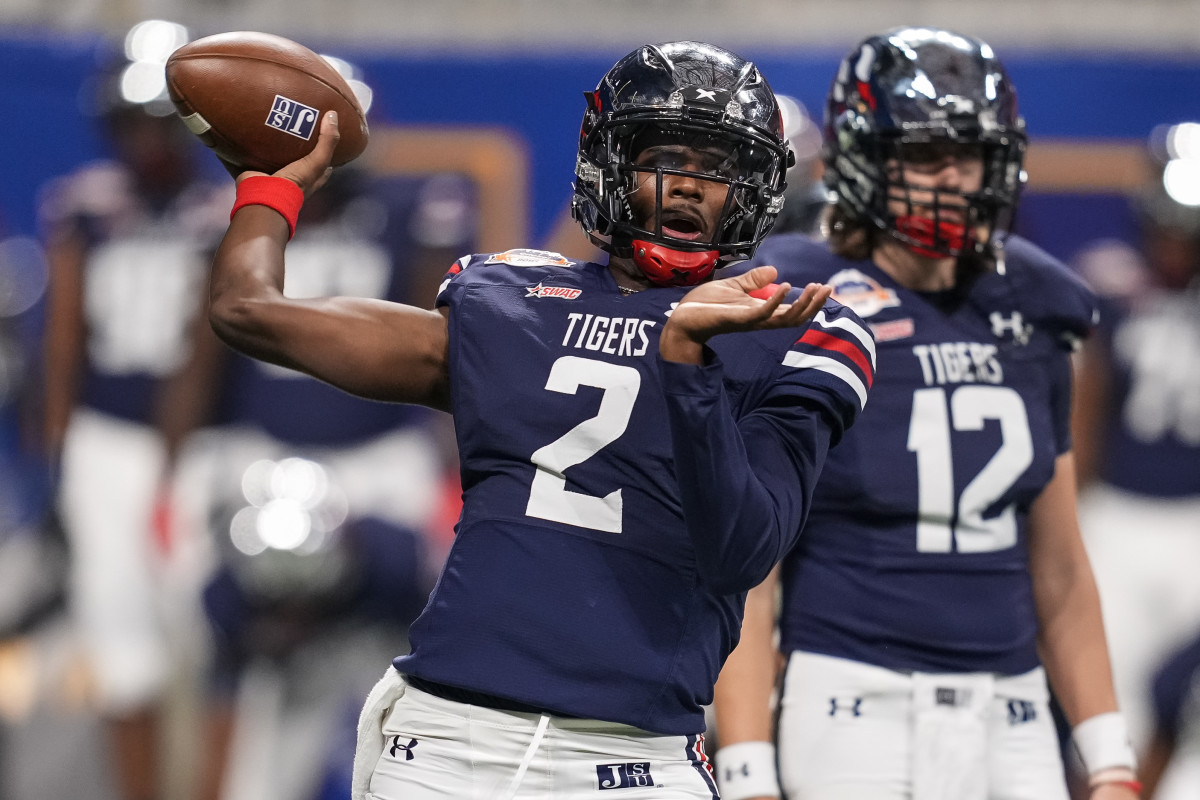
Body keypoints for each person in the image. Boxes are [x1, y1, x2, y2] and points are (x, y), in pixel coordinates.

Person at [203, 40, 876, 800]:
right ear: (611, 163)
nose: (689, 187)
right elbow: (246, 311)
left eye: (717, 168)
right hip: (446, 741)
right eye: (667, 157)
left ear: (753, 190)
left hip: (633, 760)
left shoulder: (793, 331)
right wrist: (268, 187)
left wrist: (686, 361)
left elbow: (741, 553)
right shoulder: (509, 302)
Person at [712, 27, 1140, 800]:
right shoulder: (802, 295)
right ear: (863, 160)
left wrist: (1109, 759)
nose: (951, 177)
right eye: (923, 154)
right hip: (851, 699)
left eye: (967, 153)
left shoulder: (1035, 301)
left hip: (1011, 706)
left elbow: (1061, 564)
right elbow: (754, 568)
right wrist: (746, 765)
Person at [38, 59, 231, 800]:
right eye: (133, 123)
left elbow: (209, 344)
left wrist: (175, 456)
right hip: (106, 438)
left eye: (161, 123)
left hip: (199, 448)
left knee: (210, 634)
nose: (146, 141)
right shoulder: (87, 205)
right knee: (119, 642)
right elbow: (62, 340)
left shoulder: (217, 209)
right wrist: (60, 453)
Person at [1070, 167, 1200, 767]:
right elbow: (1086, 412)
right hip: (1118, 518)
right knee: (1108, 719)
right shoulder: (1112, 289)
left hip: (1193, 520)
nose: (1176, 245)